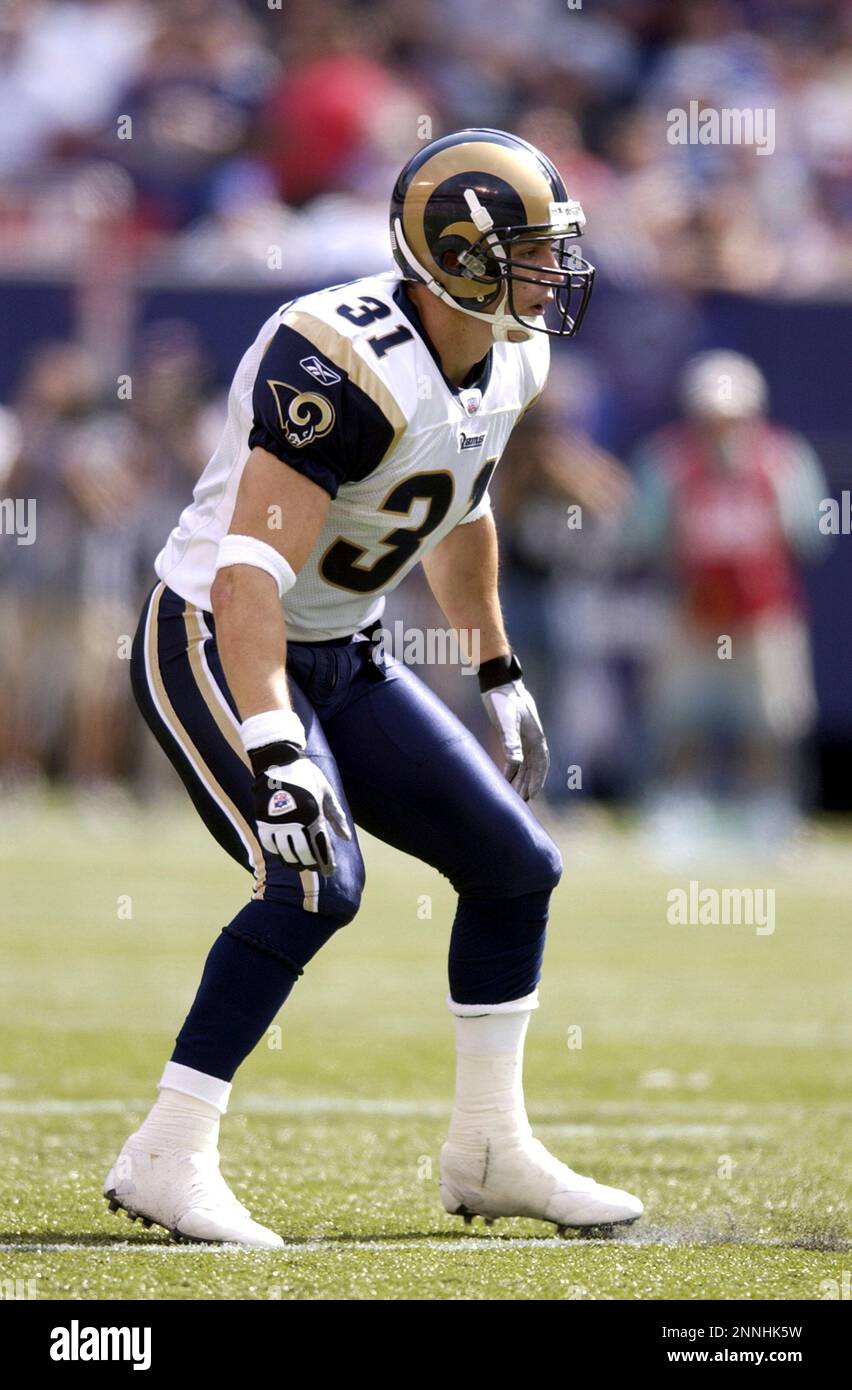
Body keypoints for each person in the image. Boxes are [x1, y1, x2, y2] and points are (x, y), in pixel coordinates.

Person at [105, 128, 643, 1246]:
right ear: (461, 255)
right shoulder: (337, 355)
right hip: (215, 637)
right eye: (533, 250)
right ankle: (168, 1152)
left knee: (515, 866)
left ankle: (490, 1147)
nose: (557, 272)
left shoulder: (512, 353)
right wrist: (276, 746)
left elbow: (459, 508)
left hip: (343, 650)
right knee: (313, 878)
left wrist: (497, 669)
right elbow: (248, 573)